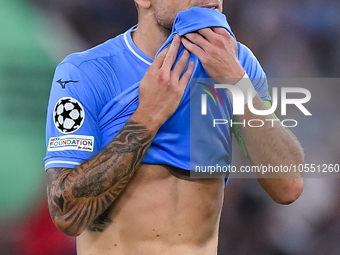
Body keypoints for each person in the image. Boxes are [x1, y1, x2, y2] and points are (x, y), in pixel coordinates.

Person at [45, 1, 304, 254]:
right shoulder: (85, 73)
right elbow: (67, 214)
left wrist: (236, 81)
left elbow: (288, 186)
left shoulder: (237, 65)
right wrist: (148, 116)